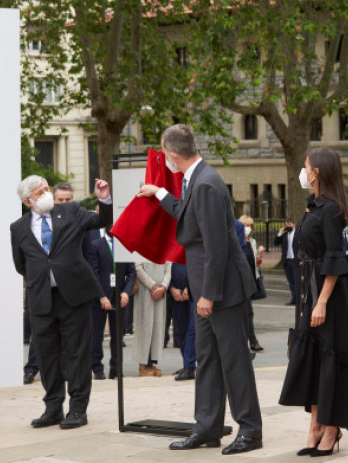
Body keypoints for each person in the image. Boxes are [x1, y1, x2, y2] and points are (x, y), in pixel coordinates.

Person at [138, 123, 263, 455]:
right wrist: (160, 193)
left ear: (174, 154)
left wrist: (207, 294)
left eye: (166, 154)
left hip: (222, 289)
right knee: (207, 359)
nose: (165, 160)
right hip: (209, 286)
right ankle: (207, 428)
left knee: (234, 360)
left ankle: (250, 430)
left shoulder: (205, 184)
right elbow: (185, 216)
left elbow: (215, 246)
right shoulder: (196, 178)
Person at [279, 148, 348, 457]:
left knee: (329, 357)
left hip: (325, 295)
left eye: (306, 167)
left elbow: (334, 257)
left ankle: (331, 428)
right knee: (312, 359)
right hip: (308, 289)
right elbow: (311, 253)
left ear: (317, 172)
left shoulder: (330, 209)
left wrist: (322, 303)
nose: (303, 172)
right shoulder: (312, 207)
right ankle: (315, 424)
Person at [10, 175, 112, 430]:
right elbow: (21, 265)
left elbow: (103, 220)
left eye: (46, 188)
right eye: (38, 192)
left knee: (77, 353)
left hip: (74, 296)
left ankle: (78, 409)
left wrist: (105, 199)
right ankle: (53, 407)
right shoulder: (18, 228)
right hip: (41, 300)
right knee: (46, 357)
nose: (45, 194)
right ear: (27, 201)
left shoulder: (70, 211)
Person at [23, 183, 85, 385]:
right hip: (42, 292)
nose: (65, 204)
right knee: (41, 341)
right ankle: (32, 369)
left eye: (69, 200)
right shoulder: (28, 226)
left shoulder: (76, 222)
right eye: (61, 200)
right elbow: (22, 263)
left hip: (70, 292)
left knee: (71, 344)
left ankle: (67, 374)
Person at [87, 228, 136, 380]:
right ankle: (97, 367)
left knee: (117, 336)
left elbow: (132, 272)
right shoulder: (95, 245)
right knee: (96, 335)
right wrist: (101, 296)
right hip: (100, 298)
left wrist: (126, 292)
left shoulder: (124, 247)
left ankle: (116, 368)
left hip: (119, 297)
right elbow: (93, 273)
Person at [134, 261, 171, 376]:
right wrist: (152, 285)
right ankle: (142, 365)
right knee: (145, 327)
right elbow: (138, 268)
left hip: (160, 291)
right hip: (145, 291)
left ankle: (151, 362)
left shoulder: (165, 245)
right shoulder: (141, 243)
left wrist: (164, 286)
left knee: (157, 327)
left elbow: (169, 270)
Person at [239, 214, 264, 351]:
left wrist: (260, 255)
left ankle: (250, 340)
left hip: (250, 281)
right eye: (245, 226)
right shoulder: (237, 241)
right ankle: (252, 341)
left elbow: (256, 263)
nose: (248, 228)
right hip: (240, 282)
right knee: (247, 312)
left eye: (250, 226)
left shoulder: (252, 242)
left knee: (248, 312)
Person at [167, 262, 196, 381]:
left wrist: (189, 288)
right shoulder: (170, 248)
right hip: (175, 295)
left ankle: (189, 365)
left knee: (192, 330)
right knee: (181, 331)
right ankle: (187, 365)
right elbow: (165, 270)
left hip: (193, 293)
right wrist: (171, 288)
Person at [275, 218, 299, 305]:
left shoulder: (298, 233)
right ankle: (294, 299)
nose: (288, 226)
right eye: (286, 224)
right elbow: (276, 242)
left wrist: (302, 259)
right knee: (291, 282)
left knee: (297, 281)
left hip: (296, 261)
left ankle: (299, 299)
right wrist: (279, 233)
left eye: (290, 224)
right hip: (287, 261)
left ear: (294, 224)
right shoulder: (284, 234)